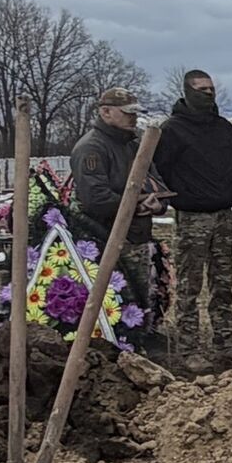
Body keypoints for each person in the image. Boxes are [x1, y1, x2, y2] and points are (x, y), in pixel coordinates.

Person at [153, 69, 232, 365]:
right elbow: (157, 171)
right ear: (187, 92)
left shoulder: (223, 128)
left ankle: (226, 345)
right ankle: (190, 349)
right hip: (192, 219)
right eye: (201, 89)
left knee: (222, 285)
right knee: (190, 286)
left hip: (224, 216)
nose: (208, 94)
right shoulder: (171, 130)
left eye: (211, 89)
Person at [69, 86, 168, 325]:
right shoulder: (91, 148)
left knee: (139, 299)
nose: (133, 118)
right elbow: (96, 199)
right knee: (112, 302)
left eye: (135, 113)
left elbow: (157, 185)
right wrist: (139, 205)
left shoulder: (134, 146)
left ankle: (140, 339)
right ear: (106, 112)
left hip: (136, 237)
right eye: (127, 113)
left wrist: (158, 203)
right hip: (105, 239)